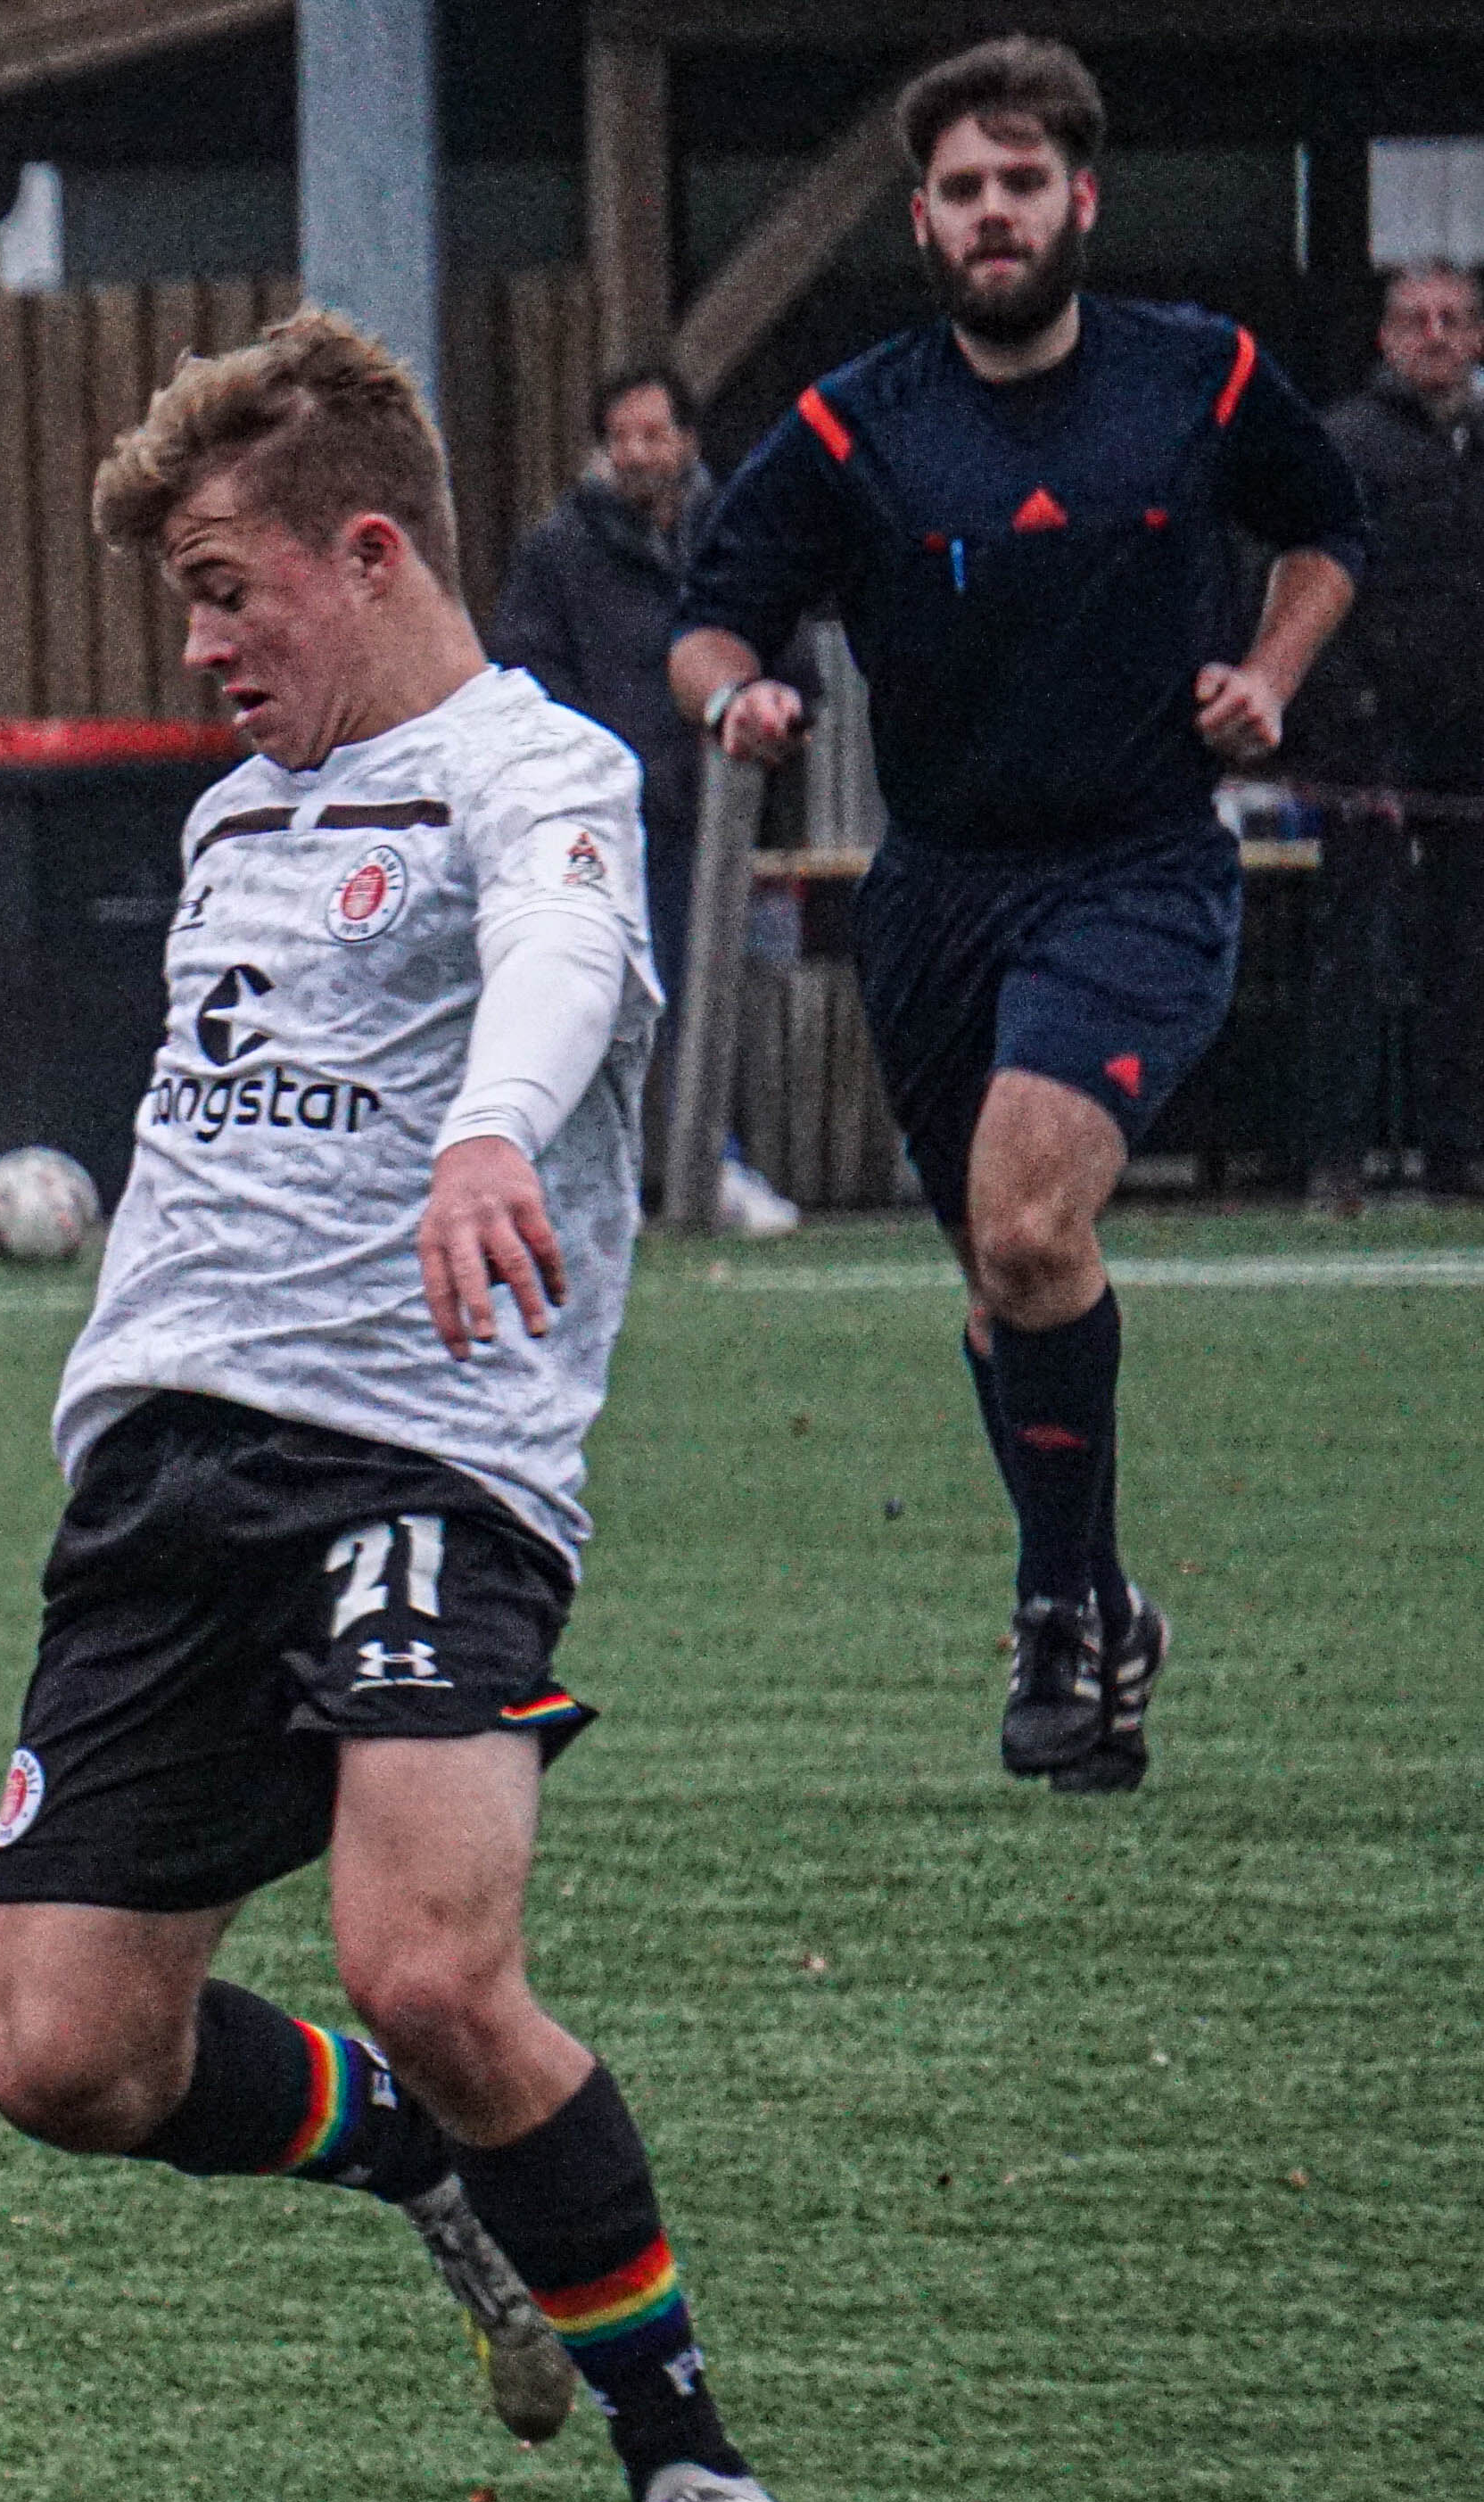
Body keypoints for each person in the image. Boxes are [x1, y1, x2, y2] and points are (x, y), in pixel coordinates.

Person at [0, 307, 819, 2502]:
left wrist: (478, 1126)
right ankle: (410, 2155)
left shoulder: (528, 766)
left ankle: (697, 2479)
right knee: (67, 2055)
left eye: (230, 592)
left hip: (421, 1454)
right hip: (159, 1460)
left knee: (425, 1958)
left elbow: (559, 950)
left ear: (366, 553)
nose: (203, 645)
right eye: (183, 608)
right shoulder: (236, 806)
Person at [673, 36, 1362, 1792]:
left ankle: (1059, 1606)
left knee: (1033, 1228)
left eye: (1022, 184)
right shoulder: (853, 421)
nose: (994, 215)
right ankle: (1098, 1603)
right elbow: (713, 612)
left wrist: (1270, 674)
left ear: (1080, 200)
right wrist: (730, 700)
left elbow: (1323, 526)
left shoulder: (1196, 381)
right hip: (937, 895)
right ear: (923, 219)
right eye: (964, 191)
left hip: (1134, 866)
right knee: (1000, 1282)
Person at [489, 362, 804, 1236]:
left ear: (685, 442)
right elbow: (521, 670)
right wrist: (585, 760)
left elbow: (777, 644)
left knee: (717, 993)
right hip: (598, 821)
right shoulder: (558, 548)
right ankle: (603, 1185)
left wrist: (778, 721)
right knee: (599, 999)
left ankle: (719, 1166)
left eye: (651, 435)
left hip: (716, 812)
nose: (635, 453)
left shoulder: (733, 533)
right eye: (619, 437)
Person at [1301, 261, 1484, 1205]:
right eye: (1415, 320)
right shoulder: (1343, 445)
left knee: (1466, 951)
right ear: (1383, 338)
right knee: (1355, 949)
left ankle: (1457, 1154)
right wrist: (1347, 730)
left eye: (1453, 320)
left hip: (1469, 746)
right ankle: (1335, 1158)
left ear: (1478, 338)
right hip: (1368, 741)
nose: (1435, 336)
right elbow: (1310, 594)